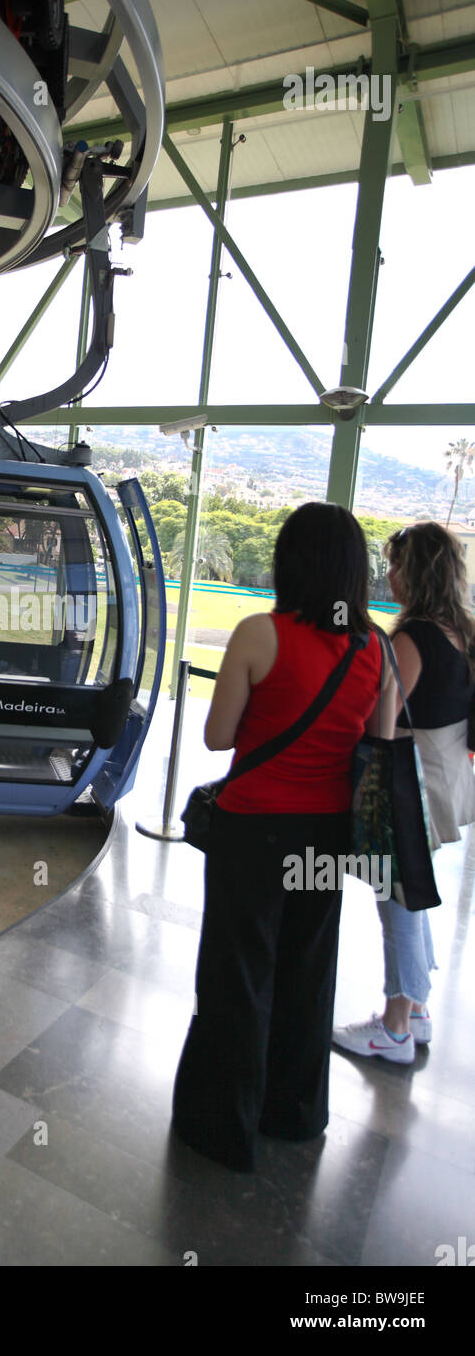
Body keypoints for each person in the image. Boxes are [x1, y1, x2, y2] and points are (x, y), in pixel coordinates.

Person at [172, 502, 384, 1172]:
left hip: (254, 832)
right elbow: (378, 747)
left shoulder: (259, 634)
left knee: (238, 975)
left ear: (288, 562)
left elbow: (218, 736)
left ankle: (222, 1126)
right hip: (324, 836)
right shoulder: (374, 646)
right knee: (306, 970)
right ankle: (293, 1114)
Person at [332, 522, 475, 1064]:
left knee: (397, 896)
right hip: (447, 778)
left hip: (410, 781)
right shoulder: (461, 630)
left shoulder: (411, 639)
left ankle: (394, 1025)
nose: (388, 574)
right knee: (410, 888)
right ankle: (415, 1008)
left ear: (418, 573)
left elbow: (380, 723)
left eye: (396, 564)